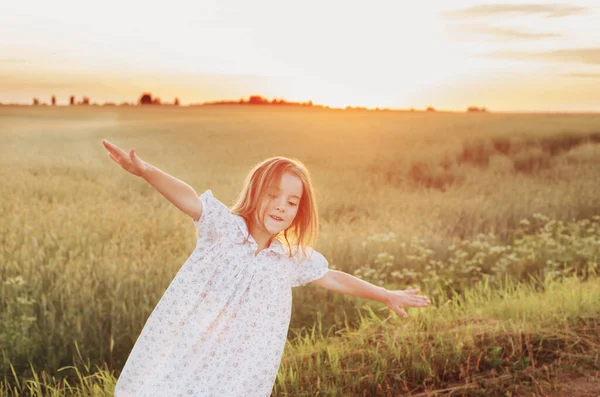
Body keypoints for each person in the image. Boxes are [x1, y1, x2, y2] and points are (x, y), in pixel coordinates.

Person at [102, 139, 431, 397]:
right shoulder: (224, 231)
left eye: (292, 202)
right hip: (190, 353)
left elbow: (332, 277)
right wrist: (144, 169)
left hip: (235, 372)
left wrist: (385, 295)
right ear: (255, 193)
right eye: (274, 195)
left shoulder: (287, 258)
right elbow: (189, 198)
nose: (281, 206)